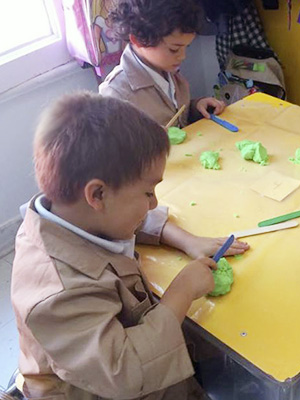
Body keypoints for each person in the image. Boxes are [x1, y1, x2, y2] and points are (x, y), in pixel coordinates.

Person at [11, 93, 229, 399]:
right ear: (97, 195)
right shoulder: (59, 295)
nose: (154, 202)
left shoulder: (73, 213)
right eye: (148, 192)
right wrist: (181, 293)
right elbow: (123, 372)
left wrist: (185, 240)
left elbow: (129, 223)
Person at [99, 0, 225, 127]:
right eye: (174, 49)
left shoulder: (167, 69)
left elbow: (176, 114)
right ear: (138, 40)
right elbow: (118, 145)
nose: (183, 56)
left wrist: (196, 107)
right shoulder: (116, 94)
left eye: (187, 46)